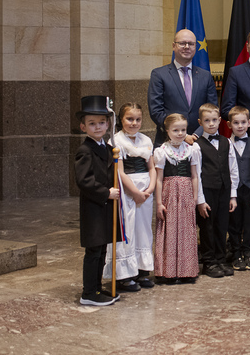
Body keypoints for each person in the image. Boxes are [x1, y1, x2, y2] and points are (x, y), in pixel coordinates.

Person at [104, 102, 156, 292]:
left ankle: (141, 270)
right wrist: (135, 192)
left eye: (138, 119)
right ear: (121, 120)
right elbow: (120, 172)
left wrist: (149, 190)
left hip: (145, 193)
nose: (134, 123)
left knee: (143, 231)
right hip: (128, 192)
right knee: (128, 231)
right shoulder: (116, 141)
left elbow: (151, 167)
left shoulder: (146, 140)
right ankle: (125, 275)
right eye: (129, 119)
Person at [74, 95, 120, 306]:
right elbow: (84, 181)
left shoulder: (109, 149)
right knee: (93, 250)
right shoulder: (85, 151)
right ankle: (88, 293)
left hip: (105, 208)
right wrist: (106, 192)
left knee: (102, 249)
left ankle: (96, 285)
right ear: (83, 127)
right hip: (94, 208)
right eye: (92, 123)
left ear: (108, 124)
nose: (98, 127)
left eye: (101, 122)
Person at [152, 113, 200, 284]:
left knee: (187, 231)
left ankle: (187, 270)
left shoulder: (191, 150)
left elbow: (194, 175)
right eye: (176, 130)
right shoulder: (162, 151)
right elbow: (158, 179)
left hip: (186, 191)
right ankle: (168, 270)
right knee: (170, 229)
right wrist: (158, 203)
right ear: (167, 131)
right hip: (169, 193)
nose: (180, 133)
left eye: (183, 130)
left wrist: (194, 198)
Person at [148, 29, 218, 146]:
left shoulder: (205, 76)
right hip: (168, 142)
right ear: (173, 46)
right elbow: (156, 111)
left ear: (195, 47)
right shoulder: (159, 75)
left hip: (200, 141)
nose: (187, 47)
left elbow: (213, 109)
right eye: (182, 43)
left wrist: (196, 135)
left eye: (191, 44)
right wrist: (183, 134)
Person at [194, 104, 238, 278]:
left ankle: (220, 259)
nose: (211, 124)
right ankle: (209, 261)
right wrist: (200, 200)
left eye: (214, 120)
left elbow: (233, 169)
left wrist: (233, 195)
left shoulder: (226, 142)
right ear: (200, 122)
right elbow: (196, 174)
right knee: (207, 226)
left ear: (220, 120)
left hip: (224, 190)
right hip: (206, 192)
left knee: (222, 225)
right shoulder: (197, 146)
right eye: (207, 120)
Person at [226, 106, 250, 271]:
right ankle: (236, 253)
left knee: (249, 223)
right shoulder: (226, 144)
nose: (240, 126)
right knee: (234, 223)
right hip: (233, 190)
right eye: (236, 122)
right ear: (229, 124)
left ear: (249, 123)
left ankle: (249, 253)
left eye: (243, 122)